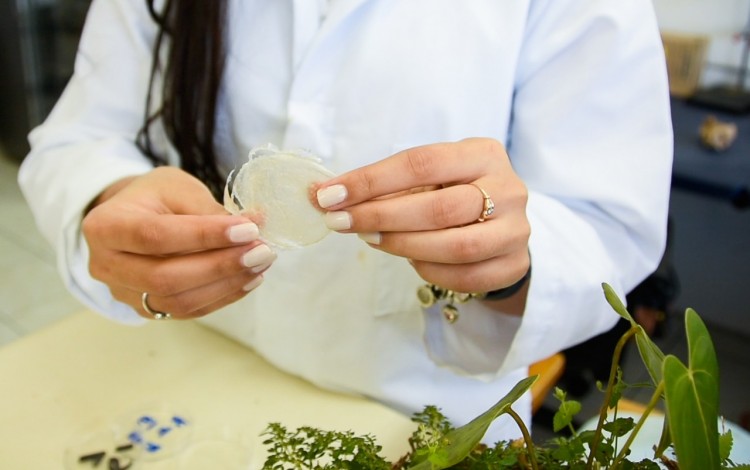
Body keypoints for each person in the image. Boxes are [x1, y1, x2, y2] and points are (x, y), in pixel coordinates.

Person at [18, 0, 673, 443]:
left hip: (420, 417)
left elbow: (608, 220)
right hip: (184, 368)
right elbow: (80, 135)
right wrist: (109, 199)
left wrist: (506, 263)